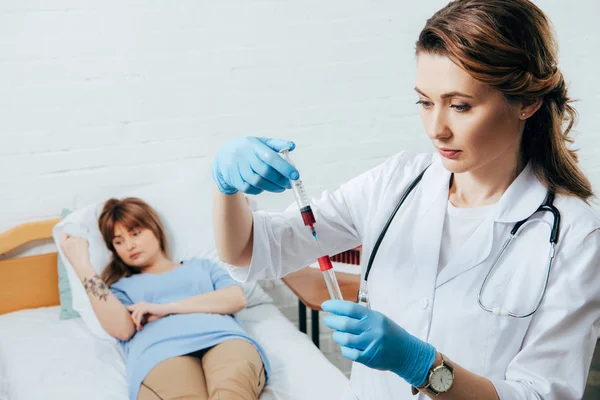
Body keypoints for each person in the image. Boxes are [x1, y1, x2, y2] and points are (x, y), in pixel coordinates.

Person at [210, 1, 600, 399]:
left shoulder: (576, 237)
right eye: (425, 102)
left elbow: (541, 395)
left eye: (460, 106)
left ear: (526, 102)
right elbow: (250, 252)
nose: (436, 129)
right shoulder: (395, 184)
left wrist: (423, 366)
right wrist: (226, 189)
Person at [59, 197, 269, 400]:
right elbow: (122, 329)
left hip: (223, 338)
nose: (129, 245)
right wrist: (82, 265)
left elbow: (236, 299)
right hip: (159, 352)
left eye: (135, 233)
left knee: (232, 392)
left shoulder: (201, 267)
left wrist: (164, 308)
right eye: (119, 242)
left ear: (155, 229)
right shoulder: (120, 289)